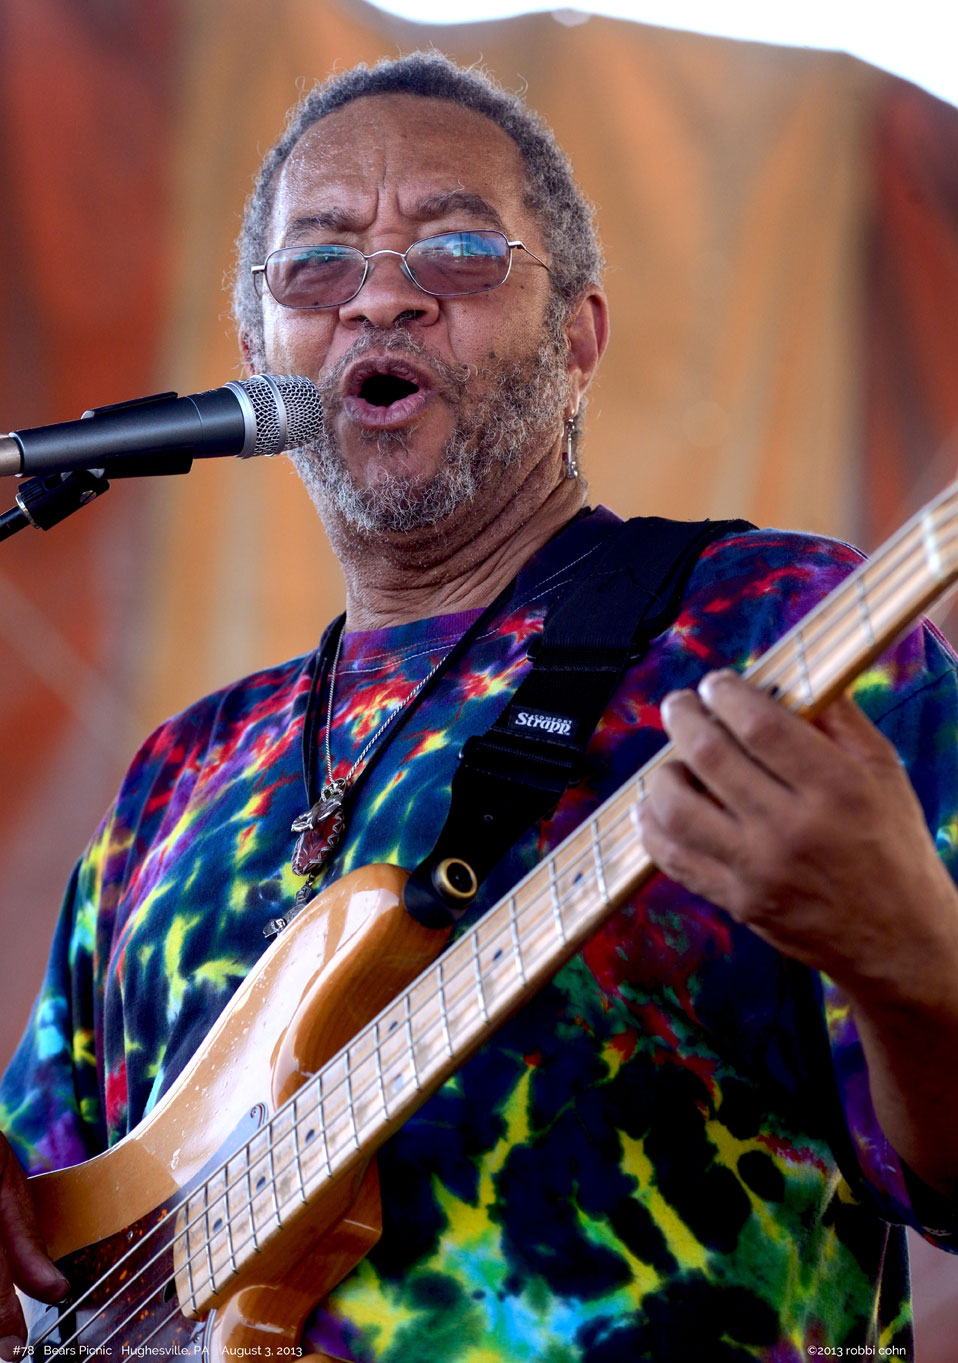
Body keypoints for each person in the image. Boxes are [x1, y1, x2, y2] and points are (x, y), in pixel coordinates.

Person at [0, 51, 956, 1363]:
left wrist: (911, 961)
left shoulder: (766, 625)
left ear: (577, 341)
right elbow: (56, 1253)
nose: (379, 294)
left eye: (456, 250)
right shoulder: (181, 773)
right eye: (316, 265)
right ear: (259, 357)